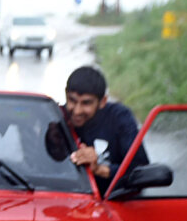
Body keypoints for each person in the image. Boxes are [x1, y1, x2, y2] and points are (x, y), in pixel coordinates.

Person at [62, 66, 148, 194]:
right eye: (72, 100)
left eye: (86, 103)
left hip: (116, 201)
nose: (77, 111)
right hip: (70, 198)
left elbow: (141, 172)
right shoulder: (59, 117)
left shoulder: (119, 117)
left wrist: (99, 169)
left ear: (103, 102)